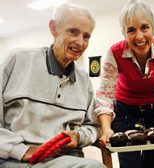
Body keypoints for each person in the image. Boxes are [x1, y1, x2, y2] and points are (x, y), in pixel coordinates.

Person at [0, 3, 105, 168]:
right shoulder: (17, 61)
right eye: (73, 32)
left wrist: (78, 136)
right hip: (14, 160)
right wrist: (21, 150)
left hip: (65, 160)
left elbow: (94, 126)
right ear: (53, 28)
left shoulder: (84, 80)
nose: (80, 42)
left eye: (86, 36)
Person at [94, 0, 154, 167]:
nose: (139, 36)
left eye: (144, 27)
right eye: (131, 30)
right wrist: (107, 129)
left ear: (153, 28)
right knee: (130, 164)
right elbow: (106, 95)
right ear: (124, 33)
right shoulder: (114, 53)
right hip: (125, 111)